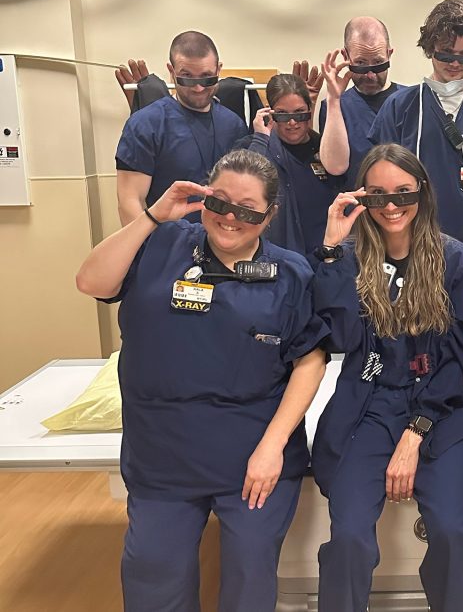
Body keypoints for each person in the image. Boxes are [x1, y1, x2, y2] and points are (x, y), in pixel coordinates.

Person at [75, 149, 330, 611]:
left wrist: (272, 447)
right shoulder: (160, 243)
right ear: (204, 197)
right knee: (153, 576)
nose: (231, 218)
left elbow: (309, 361)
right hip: (162, 455)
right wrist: (152, 216)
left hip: (253, 458)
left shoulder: (290, 273)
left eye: (248, 209)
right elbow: (92, 283)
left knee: (249, 575)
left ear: (270, 215)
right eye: (220, 202)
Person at [311, 144, 463, 611]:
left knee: (450, 531)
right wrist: (331, 249)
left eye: (403, 193)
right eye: (378, 195)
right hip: (369, 402)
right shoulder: (347, 257)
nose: (391, 206)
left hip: (439, 406)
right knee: (348, 536)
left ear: (422, 193)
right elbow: (342, 337)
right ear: (361, 198)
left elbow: (461, 358)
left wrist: (415, 432)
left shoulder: (455, 258)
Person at [369, 0, 463, 242]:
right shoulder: (399, 108)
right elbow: (381, 182)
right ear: (430, 48)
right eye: (447, 54)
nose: (456, 63)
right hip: (414, 241)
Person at [115, 31, 247, 226]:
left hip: (224, 237)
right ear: (171, 70)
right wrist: (150, 244)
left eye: (207, 78)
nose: (198, 88)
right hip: (167, 239)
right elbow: (130, 202)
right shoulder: (145, 124)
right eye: (187, 78)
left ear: (218, 70)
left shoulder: (234, 125)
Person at [235, 57, 349, 266]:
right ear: (269, 112)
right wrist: (261, 139)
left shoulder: (325, 149)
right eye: (282, 115)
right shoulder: (252, 147)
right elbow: (243, 192)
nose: (293, 122)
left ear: (309, 110)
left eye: (299, 113)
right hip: (275, 261)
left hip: (323, 257)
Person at [318, 16, 403, 192]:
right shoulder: (336, 106)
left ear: (389, 54)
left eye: (378, 63)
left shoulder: (409, 101)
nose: (370, 75)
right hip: (356, 204)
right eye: (360, 64)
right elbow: (335, 167)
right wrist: (334, 100)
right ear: (346, 56)